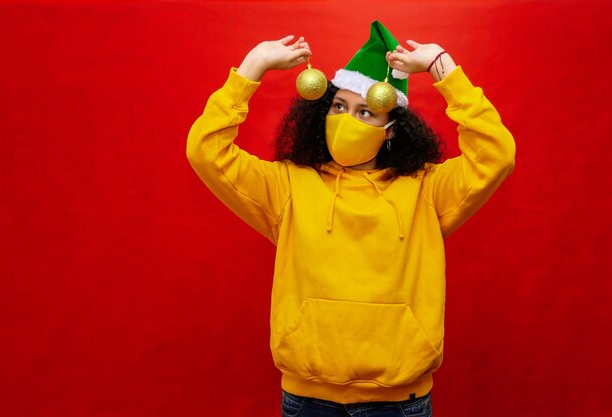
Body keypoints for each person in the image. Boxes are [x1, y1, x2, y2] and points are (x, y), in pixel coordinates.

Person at [187, 21, 515, 417]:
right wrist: (251, 67)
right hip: (308, 400)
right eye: (339, 106)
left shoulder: (427, 191)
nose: (346, 119)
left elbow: (496, 155)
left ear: (391, 130)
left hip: (398, 403)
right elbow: (206, 152)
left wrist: (443, 68)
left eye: (366, 111)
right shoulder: (287, 186)